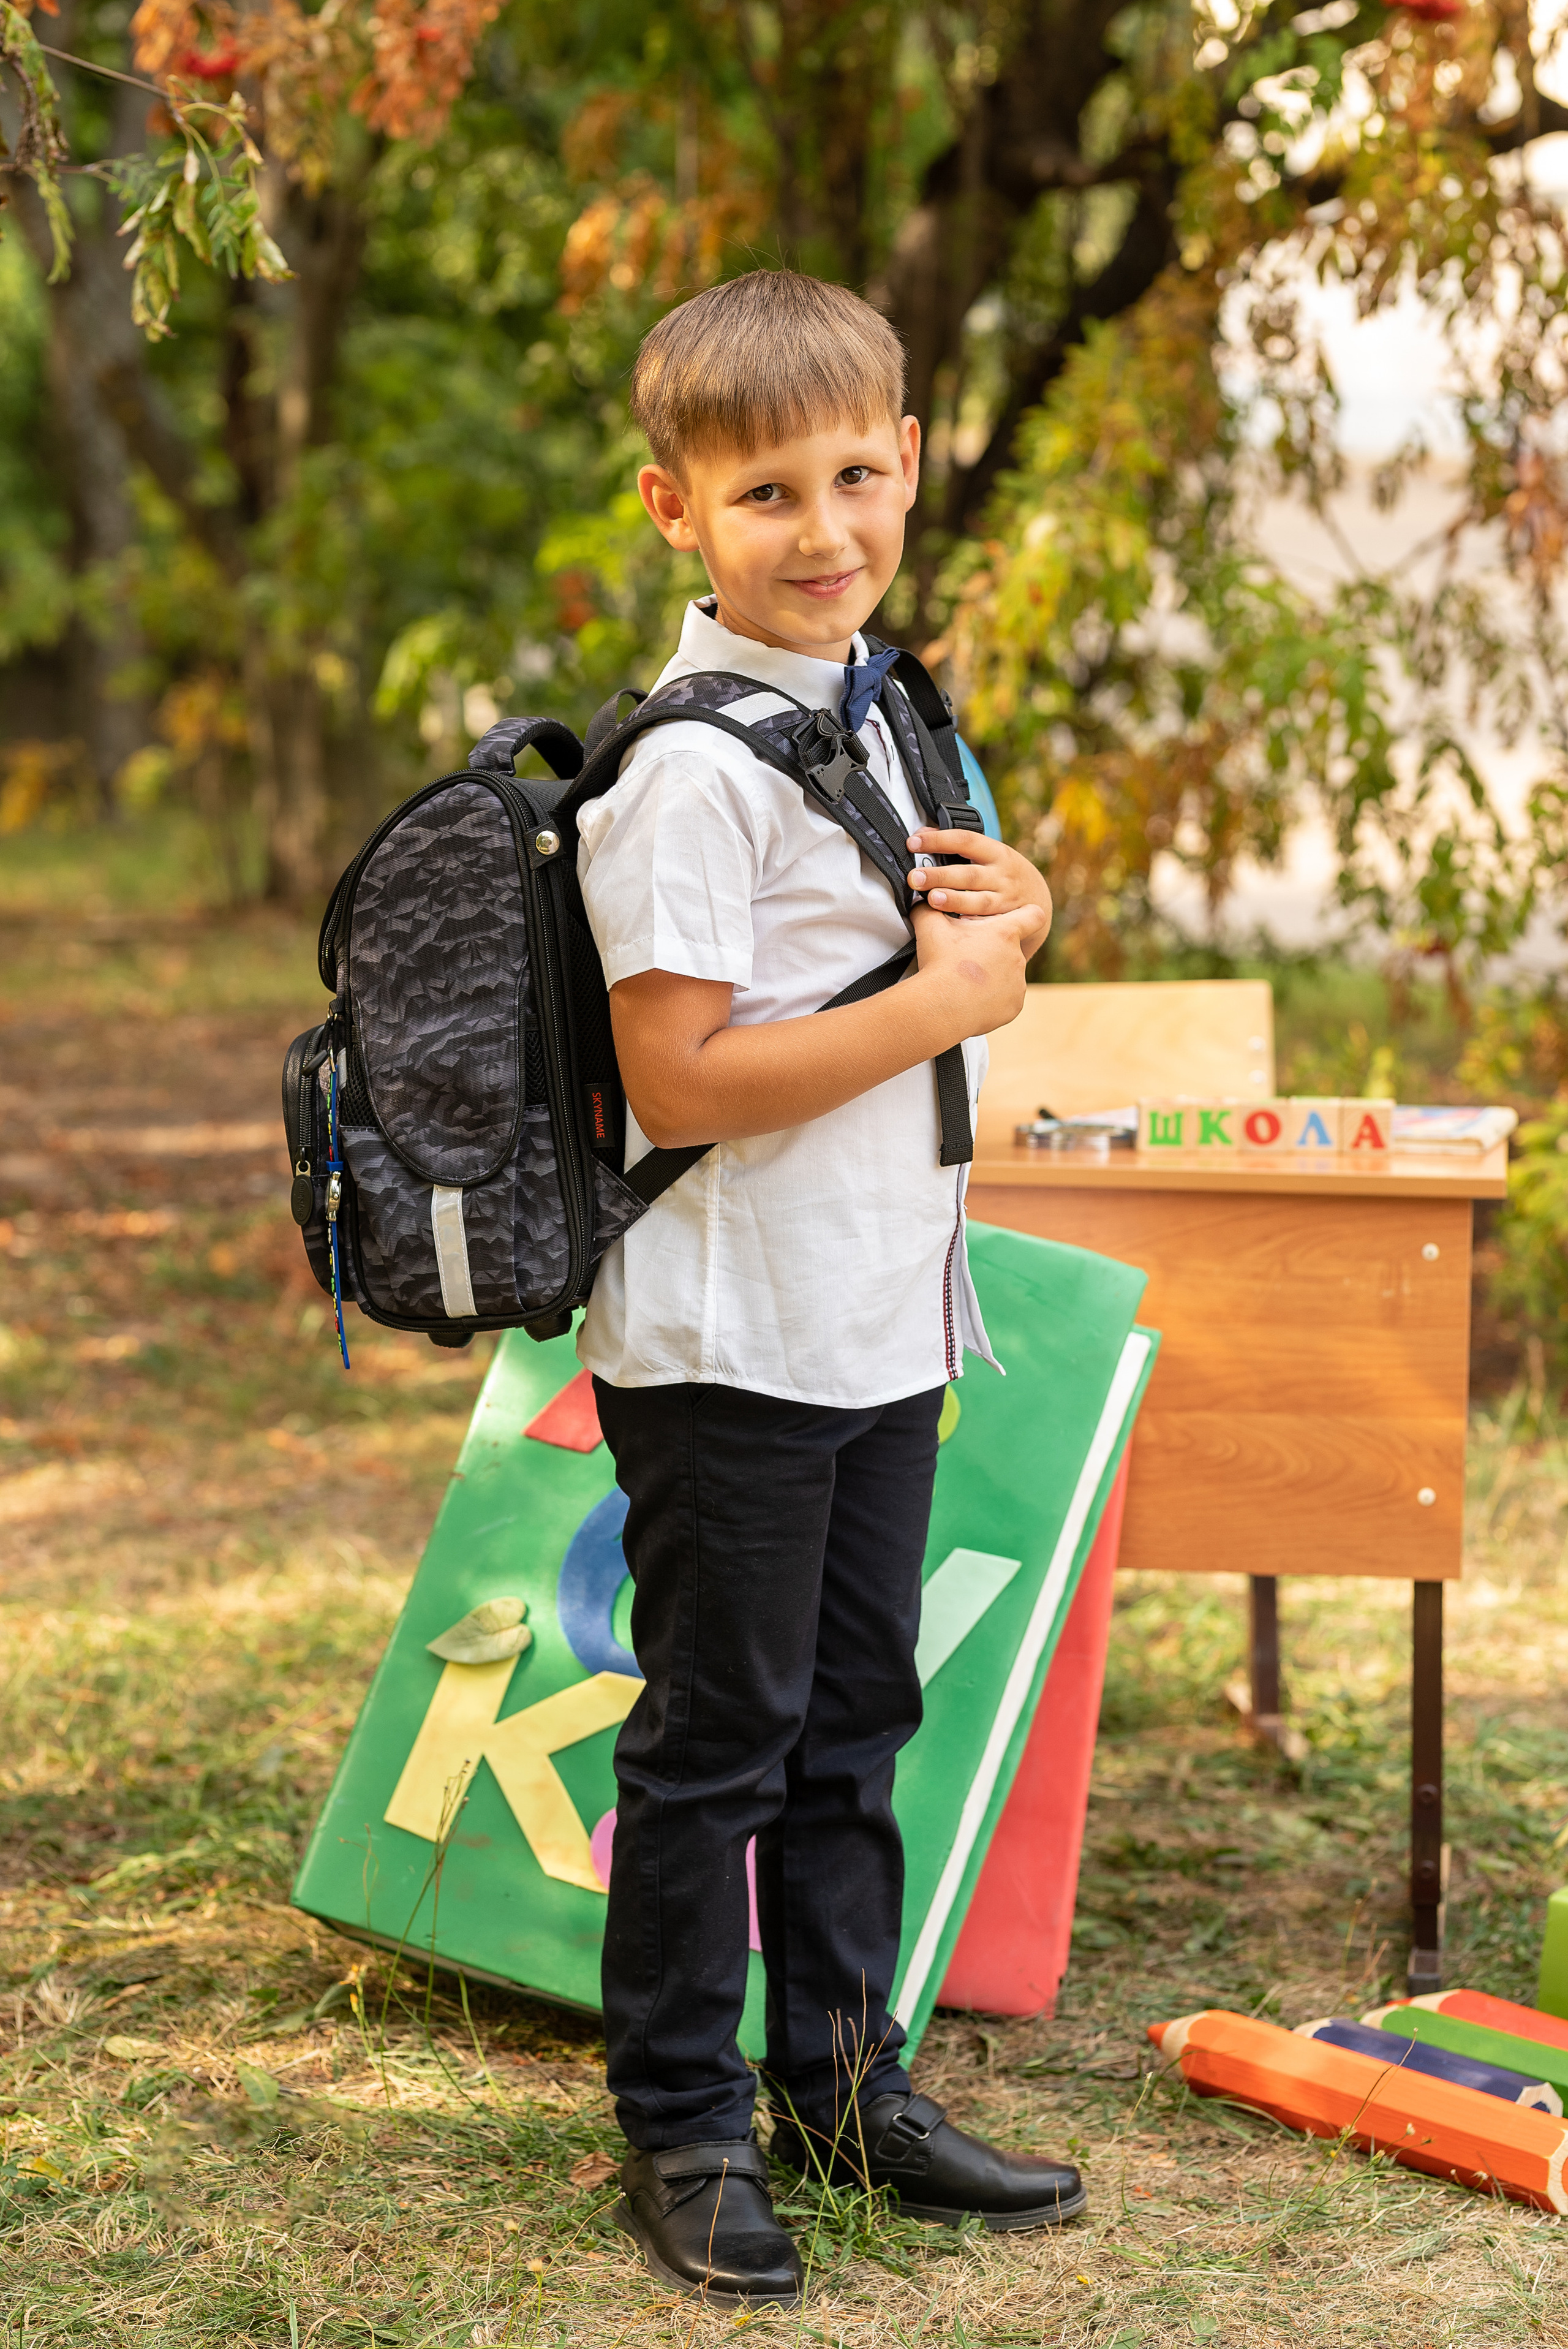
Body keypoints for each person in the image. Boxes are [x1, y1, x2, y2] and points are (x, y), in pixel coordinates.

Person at [575, 268, 1077, 2307]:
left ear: (914, 464)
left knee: (857, 1716)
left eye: (858, 474)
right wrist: (950, 997)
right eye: (765, 489)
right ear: (672, 508)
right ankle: (685, 2124)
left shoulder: (877, 701)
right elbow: (678, 1072)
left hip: (876, 1311)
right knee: (721, 1736)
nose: (826, 527)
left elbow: (930, 948)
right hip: (729, 1338)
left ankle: (848, 2081)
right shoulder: (689, 772)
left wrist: (1008, 915)